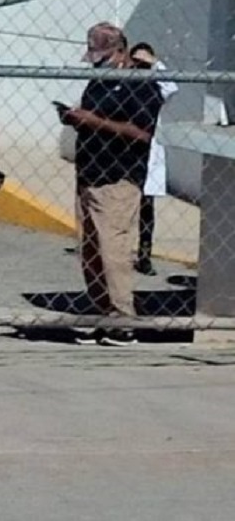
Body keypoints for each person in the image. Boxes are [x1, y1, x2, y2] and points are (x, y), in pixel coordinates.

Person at [58, 23, 163, 347]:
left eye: (102, 55)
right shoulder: (99, 81)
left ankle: (122, 318)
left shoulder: (141, 85)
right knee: (89, 249)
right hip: (89, 173)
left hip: (118, 177)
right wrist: (74, 118)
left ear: (120, 52)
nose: (96, 62)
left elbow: (143, 133)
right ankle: (101, 312)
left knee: (113, 249)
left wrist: (93, 121)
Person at [129, 43, 178, 276]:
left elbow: (172, 86)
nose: (139, 67)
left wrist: (155, 64)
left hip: (150, 150)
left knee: (147, 206)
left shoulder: (157, 87)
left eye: (143, 64)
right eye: (135, 62)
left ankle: (144, 254)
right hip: (126, 149)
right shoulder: (126, 83)